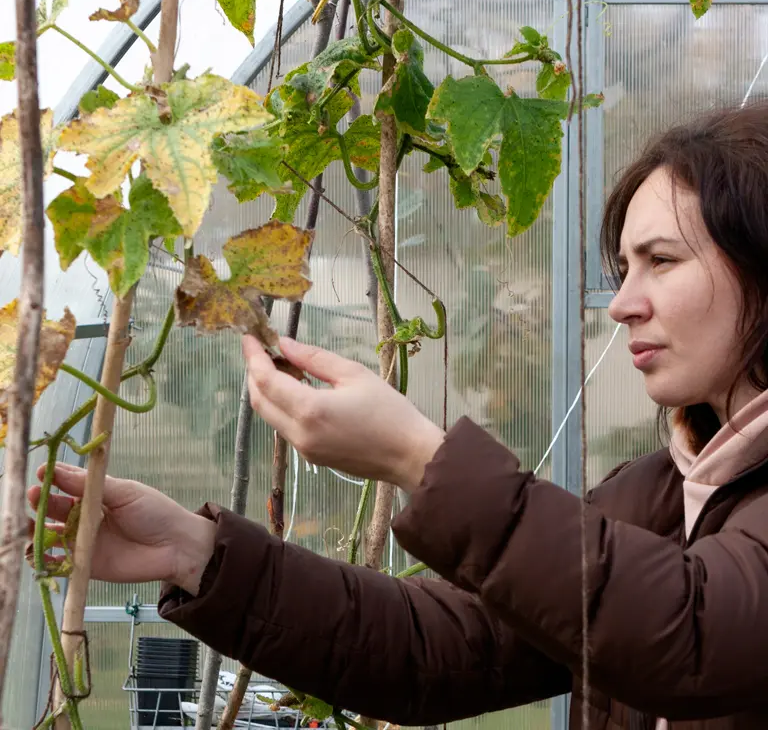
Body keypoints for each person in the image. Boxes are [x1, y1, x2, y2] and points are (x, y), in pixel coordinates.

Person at [29, 101, 768, 730]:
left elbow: (694, 635)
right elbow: (436, 646)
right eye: (622, 269)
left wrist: (421, 456)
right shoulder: (663, 492)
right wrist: (196, 553)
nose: (622, 304)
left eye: (662, 261)